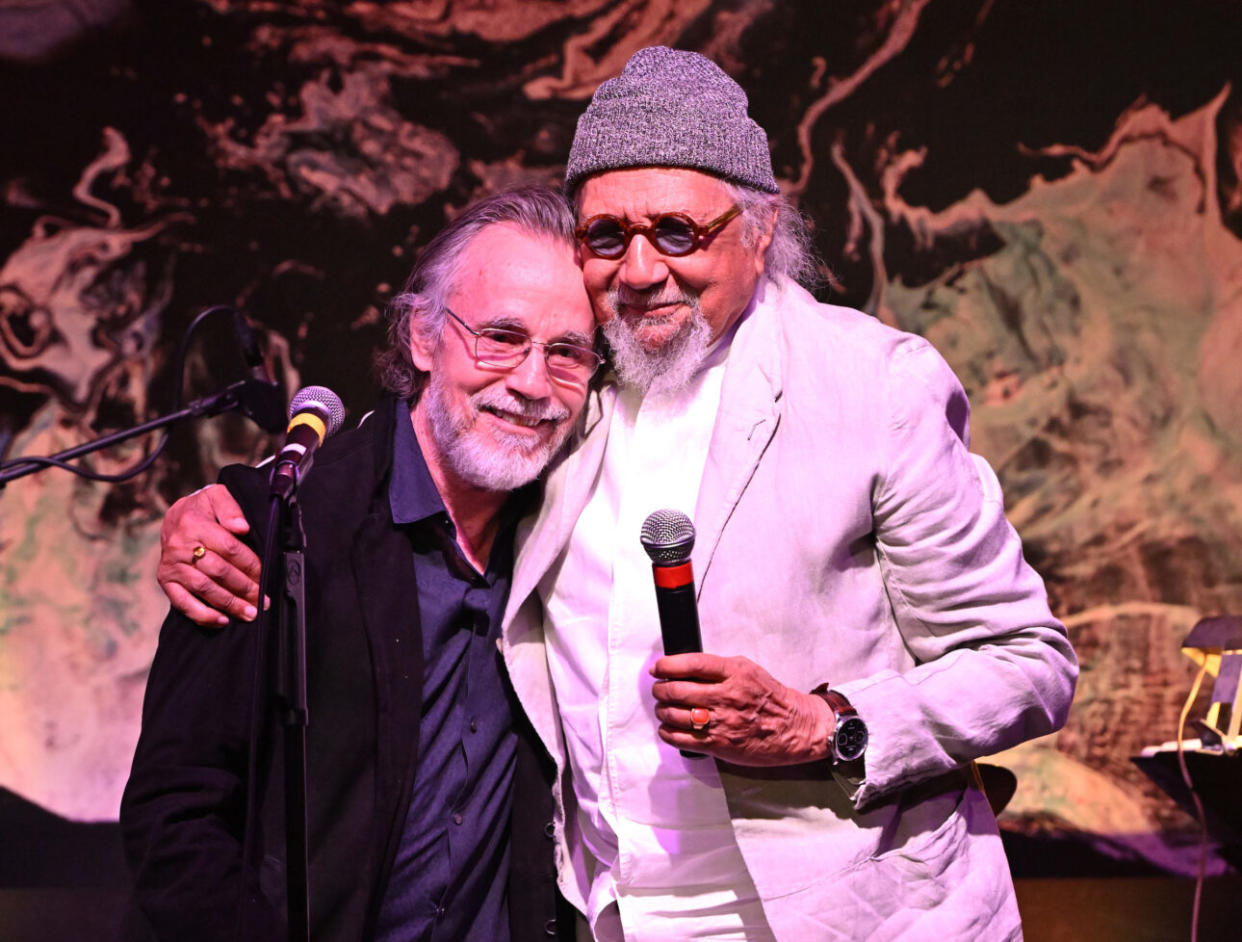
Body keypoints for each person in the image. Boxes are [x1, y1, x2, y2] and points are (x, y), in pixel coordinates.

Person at [156, 47, 1078, 941]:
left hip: (851, 920)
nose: (640, 270)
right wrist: (234, 511)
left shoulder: (874, 385)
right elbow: (426, 444)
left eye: (679, 231)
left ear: (760, 232)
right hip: (610, 919)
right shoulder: (572, 388)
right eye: (607, 236)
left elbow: (1027, 658)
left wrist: (822, 727)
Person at [120, 186, 600, 941]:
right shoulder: (274, 528)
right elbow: (176, 819)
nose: (533, 383)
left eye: (567, 351)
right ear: (420, 336)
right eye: (501, 337)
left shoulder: (580, 534)